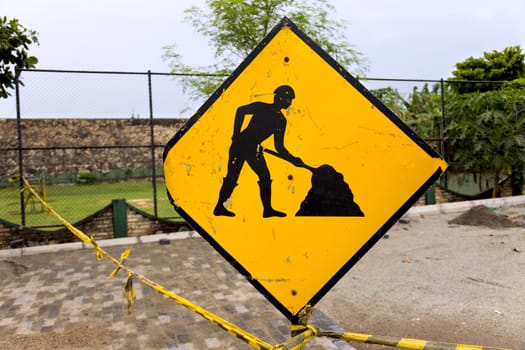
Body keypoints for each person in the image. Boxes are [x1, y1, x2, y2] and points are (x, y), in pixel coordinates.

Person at [213, 85, 303, 218]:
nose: (289, 102)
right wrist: (236, 134)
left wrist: (293, 159)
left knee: (265, 177)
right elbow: (240, 110)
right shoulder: (261, 107)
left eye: (290, 100)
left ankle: (267, 210)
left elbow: (279, 147)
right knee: (232, 176)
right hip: (240, 145)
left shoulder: (281, 121)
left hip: (255, 149)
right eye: (287, 99)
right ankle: (219, 207)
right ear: (279, 97)